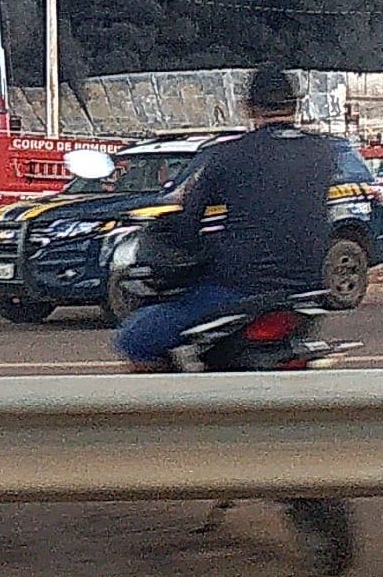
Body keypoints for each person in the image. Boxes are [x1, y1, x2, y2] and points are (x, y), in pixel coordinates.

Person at [114, 67, 337, 371]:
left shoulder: (228, 155)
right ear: (295, 105)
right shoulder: (324, 153)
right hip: (306, 289)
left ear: (247, 107)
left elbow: (188, 222)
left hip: (238, 289)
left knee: (135, 338)